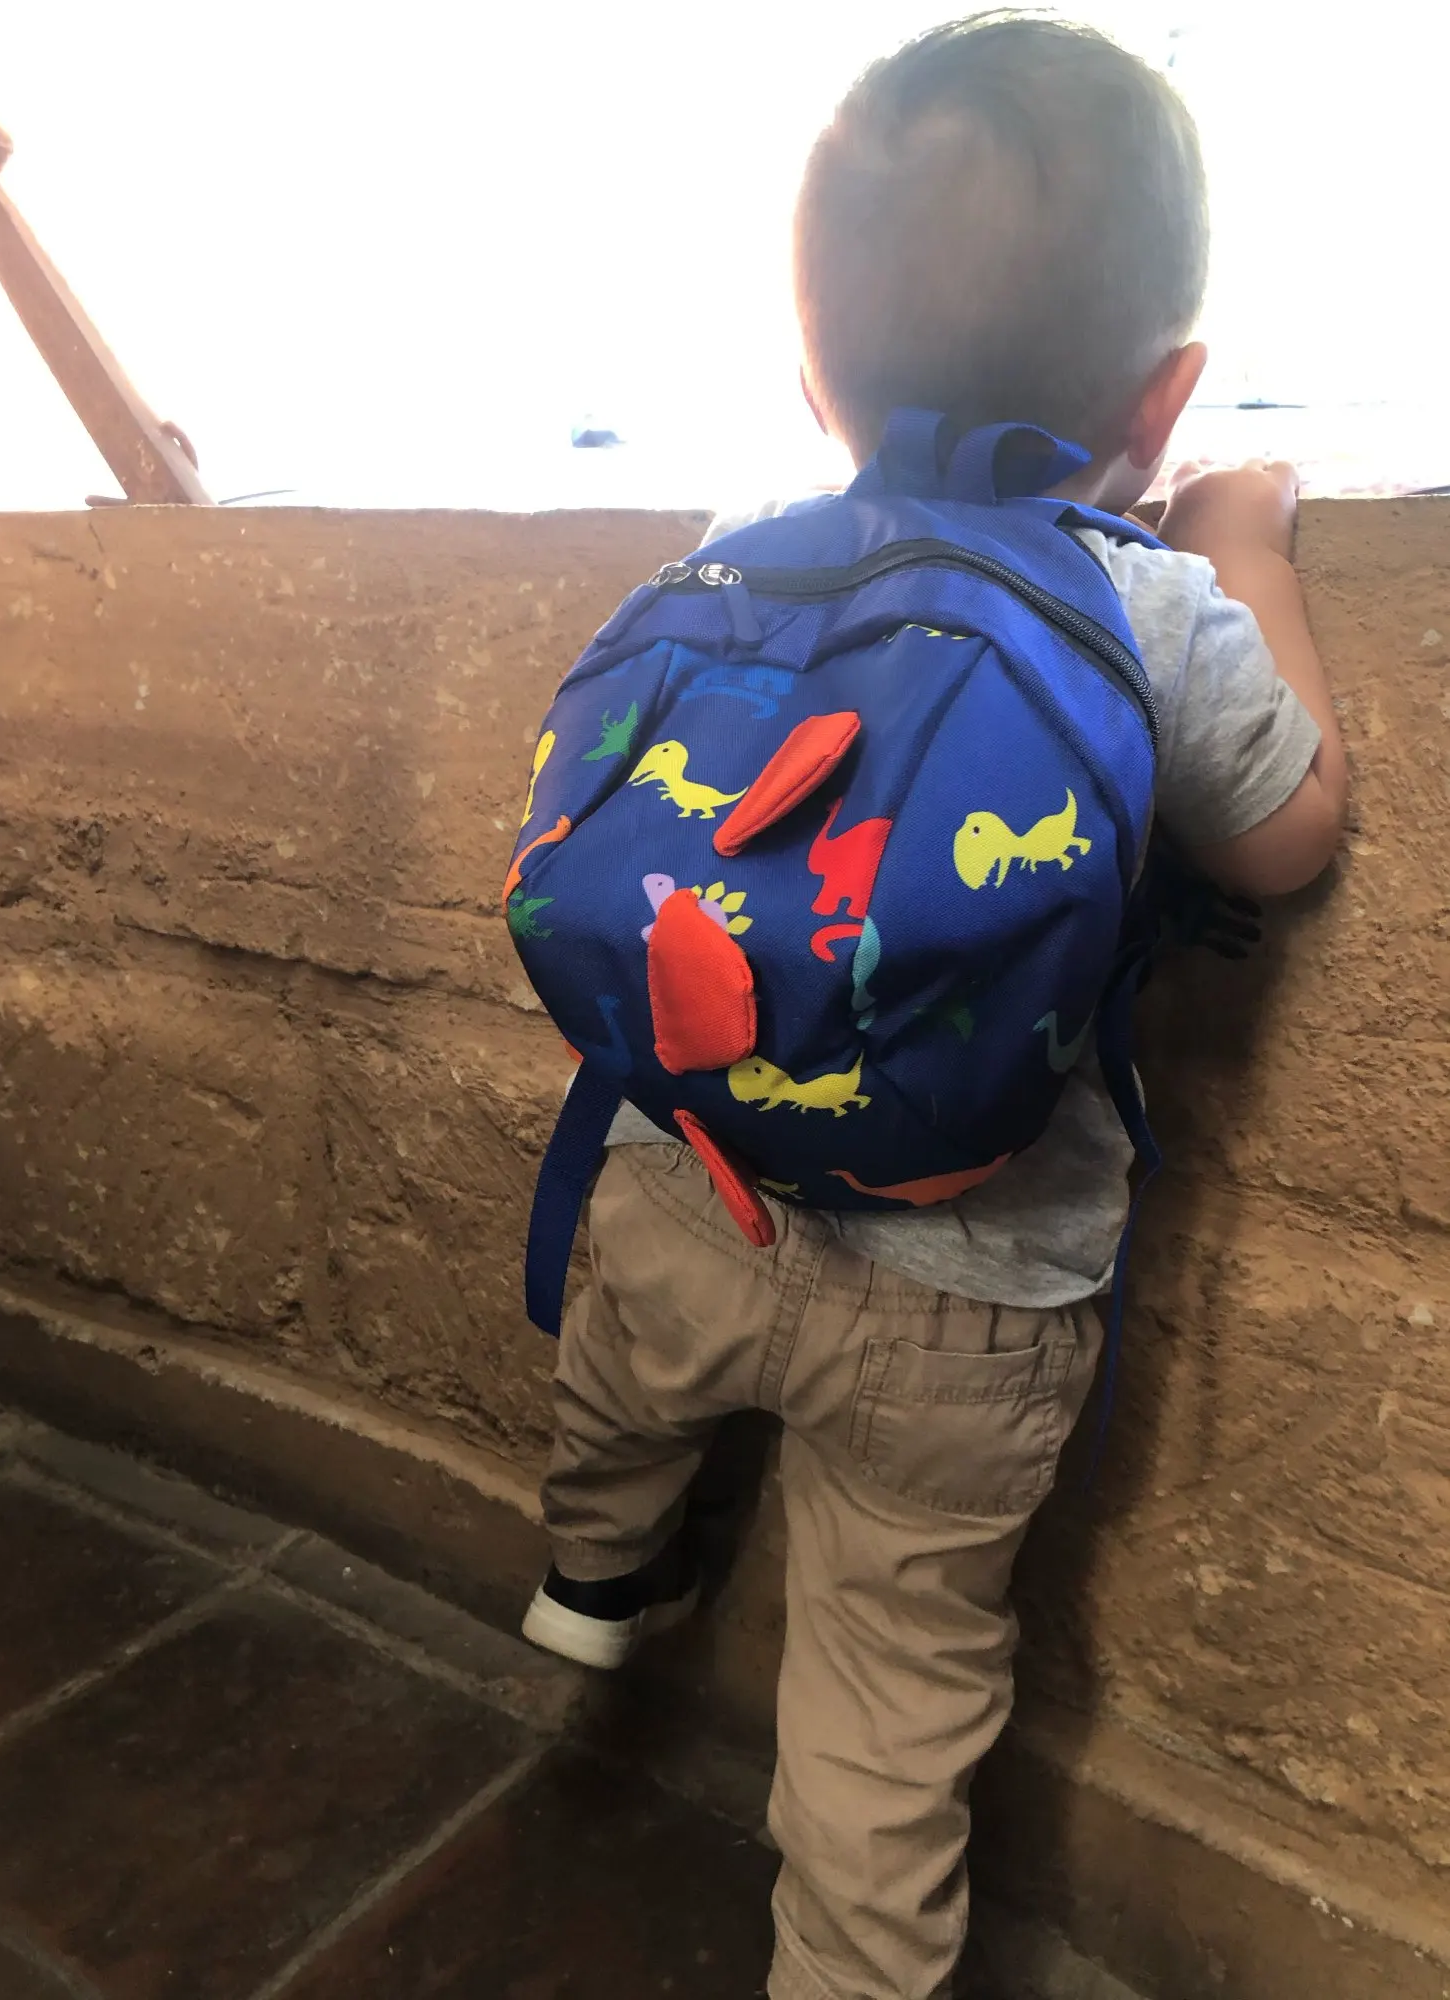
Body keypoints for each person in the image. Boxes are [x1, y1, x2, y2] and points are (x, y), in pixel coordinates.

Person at [519, 15, 1349, 1998]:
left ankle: (595, 1576)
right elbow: (1290, 832)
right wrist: (1242, 540)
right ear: (1167, 392)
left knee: (620, 1389)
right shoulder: (1144, 602)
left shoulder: (734, 557)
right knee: (890, 1691)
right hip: (973, 1294)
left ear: (816, 375)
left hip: (686, 1182)